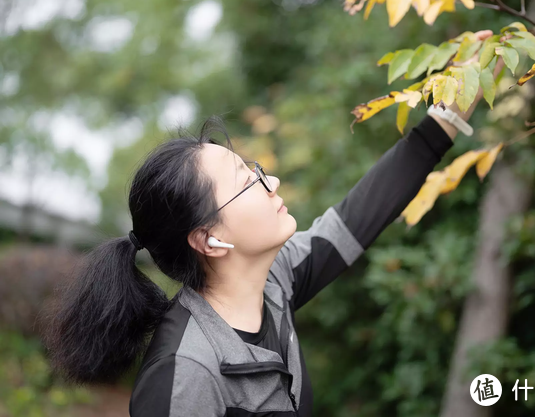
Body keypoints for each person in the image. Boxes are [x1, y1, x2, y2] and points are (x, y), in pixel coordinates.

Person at [41, 30, 500, 417]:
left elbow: (357, 219)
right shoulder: (185, 375)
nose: (272, 181)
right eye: (249, 181)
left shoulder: (273, 282)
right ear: (210, 239)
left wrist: (449, 109)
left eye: (255, 170)